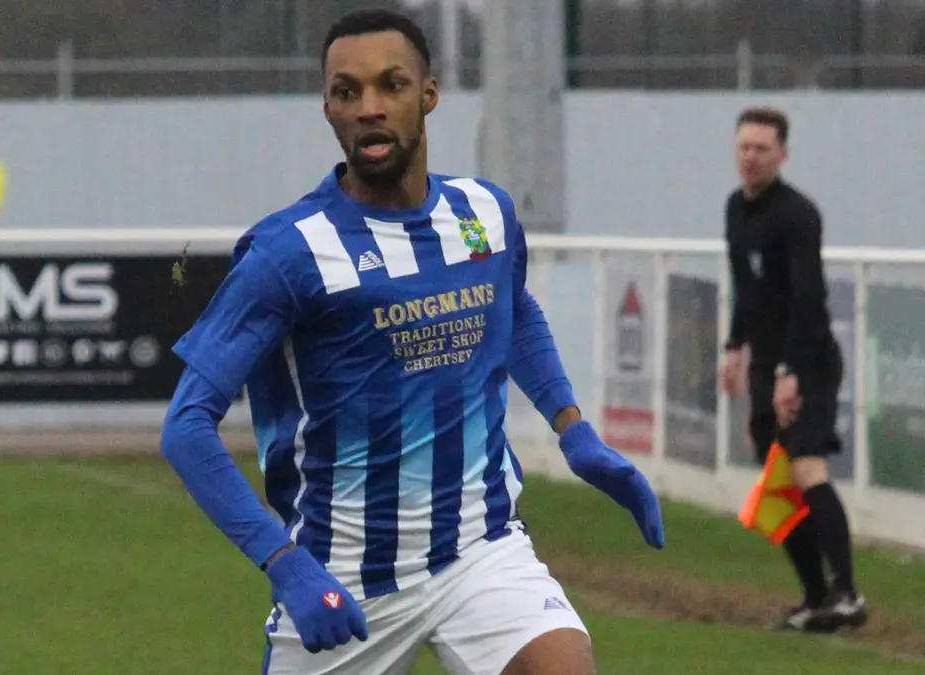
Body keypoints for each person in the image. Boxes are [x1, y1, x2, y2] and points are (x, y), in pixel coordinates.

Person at [159, 9, 664, 675]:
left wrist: (572, 428)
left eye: (390, 85)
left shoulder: (483, 214)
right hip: (345, 576)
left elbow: (509, 304)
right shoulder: (290, 252)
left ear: (428, 93)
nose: (369, 107)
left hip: (481, 547)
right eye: (347, 92)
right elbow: (186, 426)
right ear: (328, 109)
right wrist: (285, 564)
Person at [719, 106, 867, 633]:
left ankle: (847, 594)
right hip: (766, 366)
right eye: (744, 147)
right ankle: (815, 598)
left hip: (808, 361)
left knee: (807, 468)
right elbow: (747, 289)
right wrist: (735, 347)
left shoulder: (798, 214)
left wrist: (789, 371)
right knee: (778, 483)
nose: (751, 157)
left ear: (782, 154)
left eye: (762, 148)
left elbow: (809, 298)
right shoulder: (736, 208)